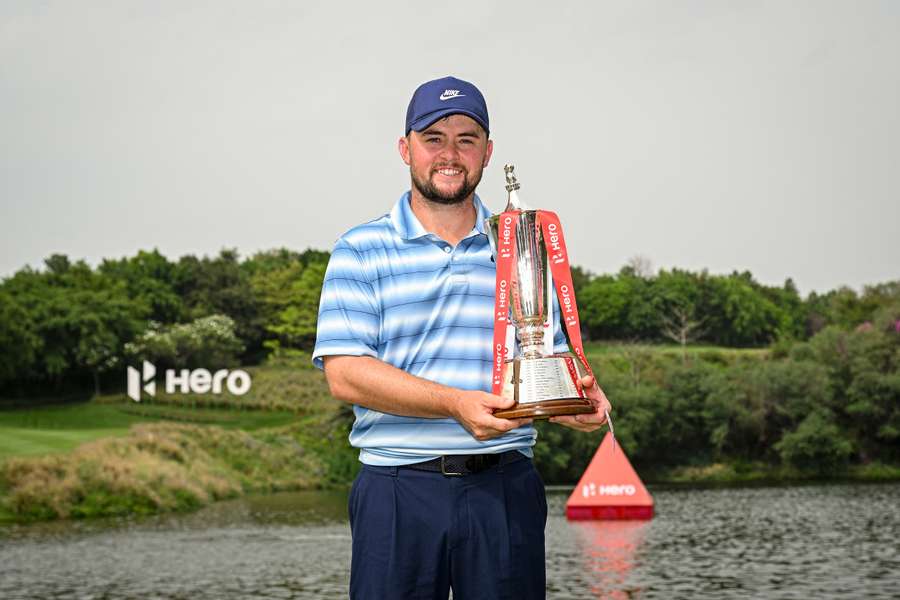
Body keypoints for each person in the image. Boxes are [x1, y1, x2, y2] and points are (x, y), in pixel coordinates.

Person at [312, 75, 612, 600]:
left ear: (487, 152)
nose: (450, 154)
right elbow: (346, 375)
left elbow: (546, 357)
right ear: (405, 148)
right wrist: (454, 404)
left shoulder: (523, 245)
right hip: (396, 489)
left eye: (466, 139)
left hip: (505, 487)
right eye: (433, 138)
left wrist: (576, 400)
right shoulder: (360, 248)